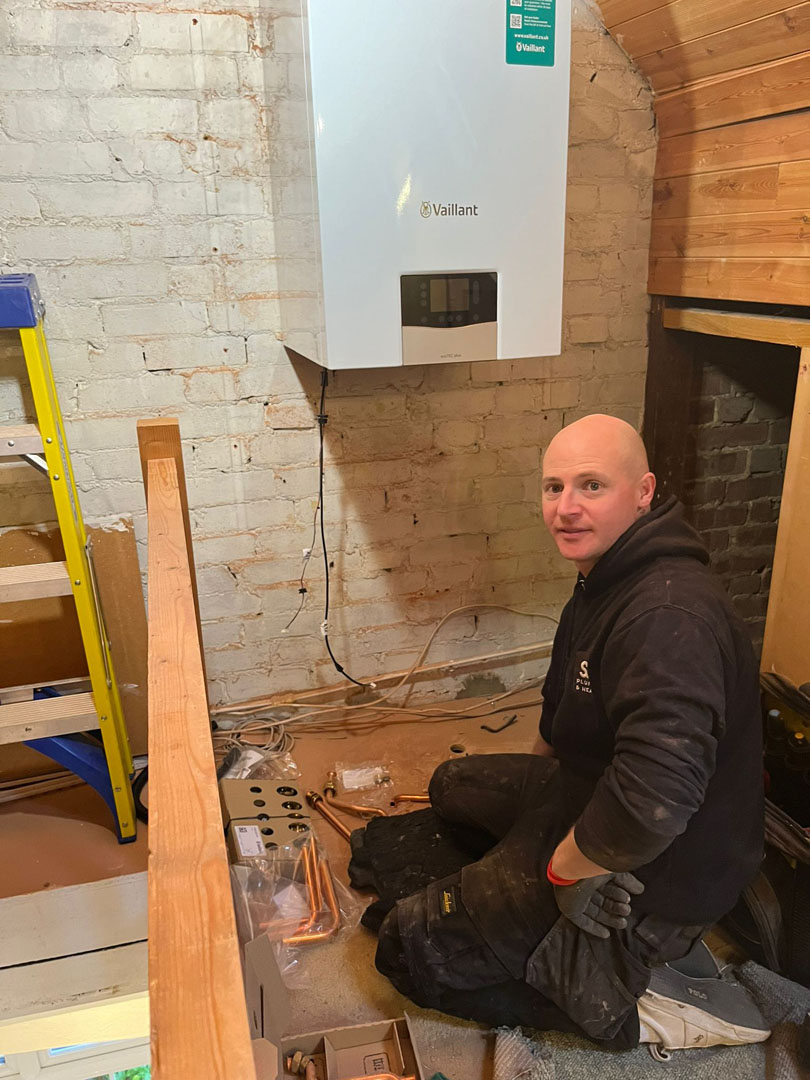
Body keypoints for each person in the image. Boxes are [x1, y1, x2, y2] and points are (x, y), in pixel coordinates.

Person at [375, 413, 769, 1055]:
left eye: (592, 486)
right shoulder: (602, 579)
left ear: (643, 492)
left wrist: (562, 868)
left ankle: (634, 1000)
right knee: (453, 786)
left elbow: (656, 798)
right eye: (553, 487)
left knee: (407, 948)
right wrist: (537, 811)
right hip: (594, 796)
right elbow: (560, 716)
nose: (566, 508)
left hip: (659, 868)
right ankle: (541, 910)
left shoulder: (667, 616)